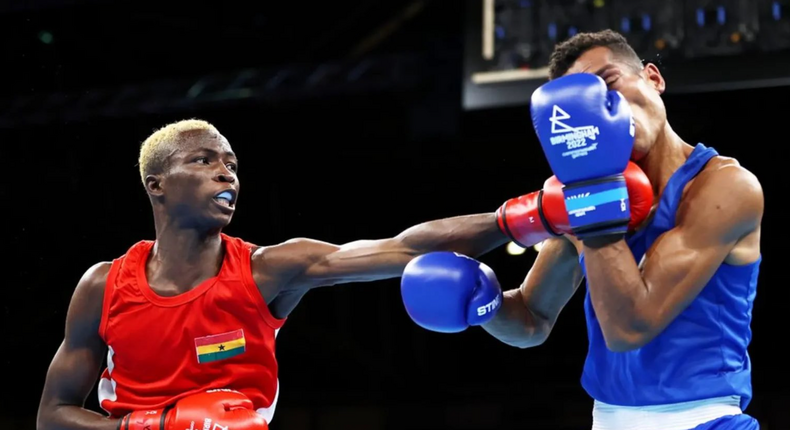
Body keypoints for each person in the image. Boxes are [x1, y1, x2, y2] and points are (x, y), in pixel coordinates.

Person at [35, 119, 514, 430]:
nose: (227, 174)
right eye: (204, 160)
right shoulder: (104, 285)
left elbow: (405, 248)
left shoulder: (270, 269)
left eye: (231, 164)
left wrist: (522, 219)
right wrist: (153, 425)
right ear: (155, 185)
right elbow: (52, 416)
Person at [401, 30, 763, 430]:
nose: (608, 108)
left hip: (707, 419)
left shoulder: (726, 187)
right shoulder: (585, 195)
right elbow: (532, 319)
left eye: (609, 84)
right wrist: (485, 304)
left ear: (653, 78)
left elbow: (631, 327)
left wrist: (592, 199)